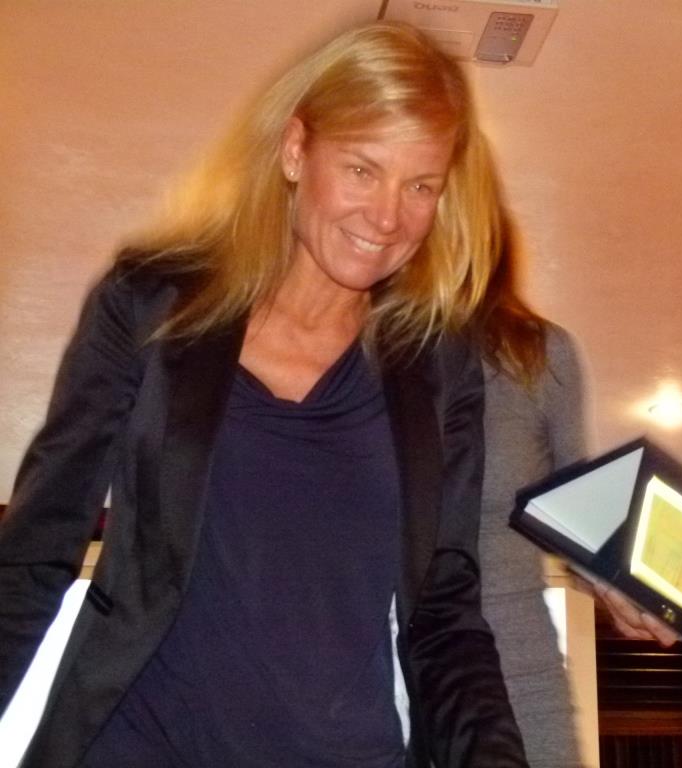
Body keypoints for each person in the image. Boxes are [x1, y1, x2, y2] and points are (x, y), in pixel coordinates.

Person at [0, 22, 527, 767]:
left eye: (421, 186)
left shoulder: (438, 362)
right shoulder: (151, 306)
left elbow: (444, 612)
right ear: (295, 150)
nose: (388, 218)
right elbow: (35, 553)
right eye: (362, 170)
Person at [465, 205, 587, 766]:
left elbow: (580, 523)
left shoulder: (540, 352)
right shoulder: (364, 349)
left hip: (517, 667)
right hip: (376, 674)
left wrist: (635, 585)